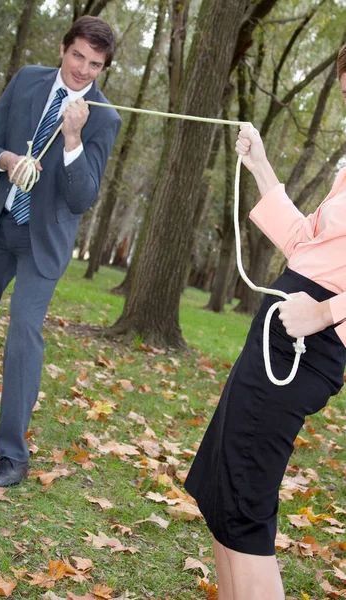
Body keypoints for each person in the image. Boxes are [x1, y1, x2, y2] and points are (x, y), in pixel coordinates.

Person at [184, 45, 346, 600]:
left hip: (308, 342)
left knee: (246, 498)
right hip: (282, 326)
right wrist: (259, 166)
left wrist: (323, 313)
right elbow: (309, 245)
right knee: (221, 489)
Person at [0, 16, 122, 487]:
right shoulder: (27, 80)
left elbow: (82, 197)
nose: (84, 70)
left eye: (96, 64)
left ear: (104, 68)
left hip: (45, 240)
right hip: (4, 220)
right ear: (63, 49)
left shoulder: (104, 117)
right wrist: (8, 161)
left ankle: (12, 456)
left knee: (24, 331)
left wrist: (71, 140)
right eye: (78, 56)